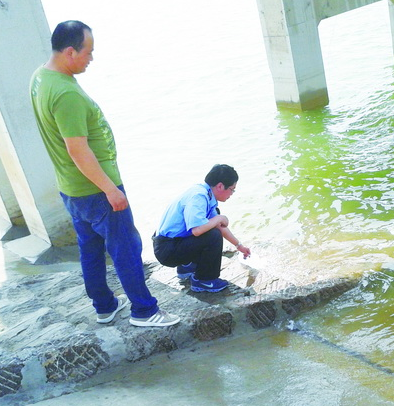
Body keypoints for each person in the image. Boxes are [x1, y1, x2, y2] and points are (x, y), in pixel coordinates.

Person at [29, 20, 179, 327]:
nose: (91, 59)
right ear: (70, 51)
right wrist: (110, 189)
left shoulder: (41, 77)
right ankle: (145, 311)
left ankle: (104, 305)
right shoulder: (65, 94)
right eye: (88, 52)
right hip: (95, 188)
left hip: (71, 187)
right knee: (126, 248)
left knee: (91, 248)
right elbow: (78, 149)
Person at [153, 164, 251, 292]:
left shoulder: (206, 194)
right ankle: (205, 280)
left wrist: (239, 246)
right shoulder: (198, 196)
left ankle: (186, 266)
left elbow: (220, 226)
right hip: (166, 250)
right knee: (213, 235)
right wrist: (219, 218)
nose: (232, 194)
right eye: (232, 189)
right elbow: (198, 230)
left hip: (171, 244)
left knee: (212, 227)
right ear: (220, 186)